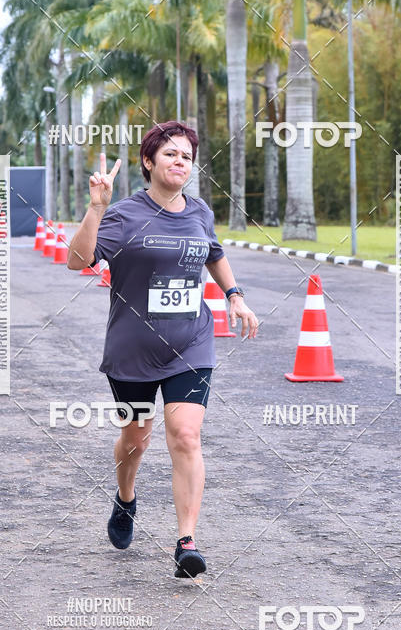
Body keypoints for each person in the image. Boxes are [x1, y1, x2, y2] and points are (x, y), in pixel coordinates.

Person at [68, 121, 259, 579]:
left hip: (191, 342)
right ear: (149, 162)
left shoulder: (199, 211)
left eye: (187, 156)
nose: (180, 162)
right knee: (136, 440)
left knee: (186, 435)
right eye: (170, 154)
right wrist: (96, 208)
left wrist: (235, 296)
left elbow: (213, 253)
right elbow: (77, 261)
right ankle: (126, 498)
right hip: (133, 349)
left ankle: (186, 542)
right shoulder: (123, 215)